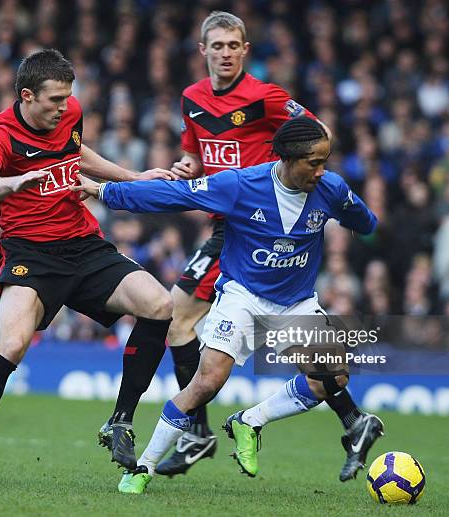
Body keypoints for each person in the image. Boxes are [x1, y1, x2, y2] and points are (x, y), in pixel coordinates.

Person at [100, 10, 378, 482]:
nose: (226, 53)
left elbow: (315, 135)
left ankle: (194, 430)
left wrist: (292, 172)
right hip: (227, 212)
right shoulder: (191, 99)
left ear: (245, 50)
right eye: (218, 46)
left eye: (234, 46)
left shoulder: (267, 98)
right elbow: (195, 150)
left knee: (177, 314)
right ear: (203, 50)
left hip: (252, 217)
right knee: (180, 320)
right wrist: (188, 164)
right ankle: (347, 418)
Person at [73, 116, 385, 494]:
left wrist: (360, 218)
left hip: (296, 303)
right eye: (314, 162)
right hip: (242, 296)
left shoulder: (330, 188)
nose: (322, 171)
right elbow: (177, 195)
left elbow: (366, 223)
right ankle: (143, 468)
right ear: (288, 159)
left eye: (325, 161)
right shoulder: (240, 185)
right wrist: (107, 194)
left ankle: (248, 422)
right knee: (207, 382)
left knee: (331, 376)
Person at [0, 48, 178, 487]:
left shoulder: (70, 112)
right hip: (31, 255)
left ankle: (120, 420)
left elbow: (76, 153)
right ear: (27, 95)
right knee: (12, 344)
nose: (66, 106)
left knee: (159, 304)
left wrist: (133, 176)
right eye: (55, 100)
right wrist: (14, 181)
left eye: (68, 97)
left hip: (83, 245)